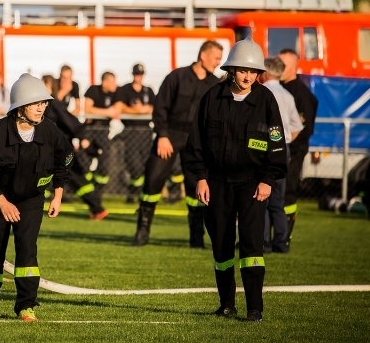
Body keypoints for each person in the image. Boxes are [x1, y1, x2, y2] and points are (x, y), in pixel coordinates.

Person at [183, 38, 288, 323]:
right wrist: (200, 178)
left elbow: (276, 143)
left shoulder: (266, 100)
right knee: (221, 245)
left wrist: (268, 179)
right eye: (243, 70)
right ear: (231, 70)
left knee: (252, 246)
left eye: (253, 72)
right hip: (216, 183)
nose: (247, 77)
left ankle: (255, 308)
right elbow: (196, 143)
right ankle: (226, 304)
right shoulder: (212, 98)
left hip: (253, 184)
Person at [0, 73, 72, 322]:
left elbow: (64, 158)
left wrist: (57, 195)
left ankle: (27, 306)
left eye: (44, 102)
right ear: (20, 107)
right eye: (36, 103)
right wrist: (2, 202)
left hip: (30, 200)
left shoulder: (50, 131)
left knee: (27, 251)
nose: (42, 107)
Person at [132, 41, 223, 247]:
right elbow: (160, 108)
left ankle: (196, 238)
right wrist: (162, 135)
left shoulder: (215, 85)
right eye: (216, 58)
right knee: (153, 181)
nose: (218, 63)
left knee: (195, 188)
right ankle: (142, 233)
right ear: (203, 55)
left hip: (196, 142)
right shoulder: (177, 77)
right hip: (169, 136)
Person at [41, 75, 108, 221]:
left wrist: (83, 138)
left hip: (60, 149)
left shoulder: (53, 103)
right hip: (50, 150)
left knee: (77, 178)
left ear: (51, 86)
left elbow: (69, 121)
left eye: (43, 84)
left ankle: (97, 208)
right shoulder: (43, 104)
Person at [259, 57, 303, 253]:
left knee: (261, 197)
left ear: (266, 72)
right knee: (278, 199)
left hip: (263, 146)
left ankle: (263, 242)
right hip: (282, 148)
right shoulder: (287, 95)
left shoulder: (262, 93)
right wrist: (285, 141)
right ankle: (281, 241)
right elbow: (297, 126)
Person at [278, 48, 318, 244]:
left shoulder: (302, 94)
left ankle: (285, 236)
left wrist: (285, 145)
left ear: (294, 67)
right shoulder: (275, 87)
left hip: (293, 150)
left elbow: (303, 127)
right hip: (278, 149)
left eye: (283, 65)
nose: (278, 68)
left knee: (288, 191)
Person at [113, 64, 155, 202]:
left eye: (141, 74)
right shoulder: (125, 90)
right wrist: (138, 111)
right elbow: (120, 108)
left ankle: (137, 194)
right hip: (131, 131)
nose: (139, 77)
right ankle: (133, 192)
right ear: (133, 74)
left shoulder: (148, 90)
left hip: (146, 132)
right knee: (133, 164)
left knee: (145, 164)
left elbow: (153, 108)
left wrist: (141, 110)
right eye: (137, 74)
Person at [82, 71, 119, 191]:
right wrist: (107, 112)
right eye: (112, 81)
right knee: (84, 158)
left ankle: (97, 189)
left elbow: (117, 111)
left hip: (104, 132)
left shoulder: (116, 93)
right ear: (104, 82)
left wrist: (98, 112)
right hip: (90, 130)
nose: (115, 84)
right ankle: (83, 186)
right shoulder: (93, 90)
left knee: (104, 160)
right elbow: (88, 109)